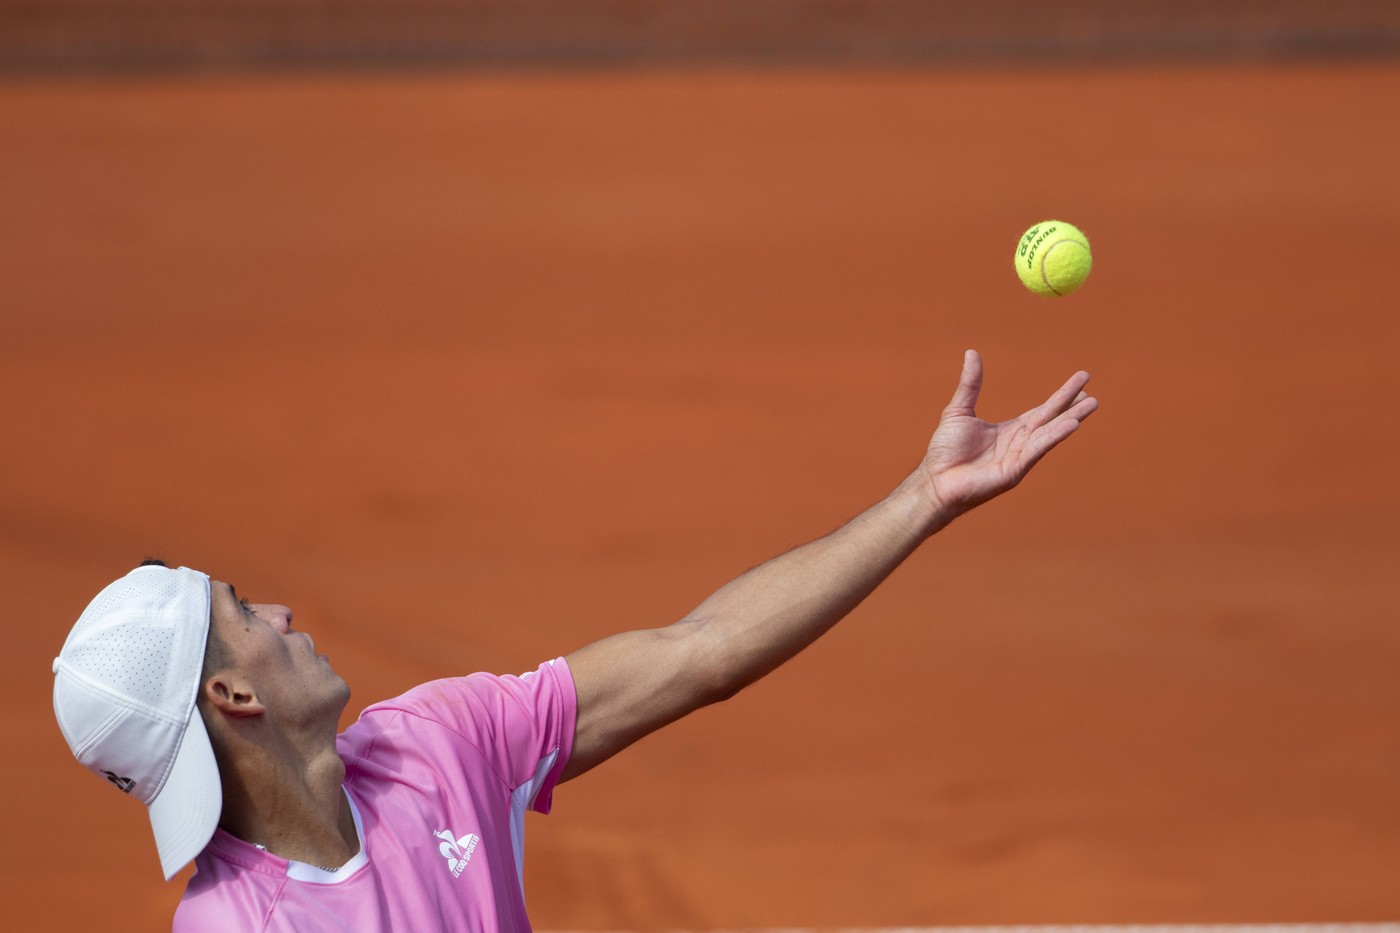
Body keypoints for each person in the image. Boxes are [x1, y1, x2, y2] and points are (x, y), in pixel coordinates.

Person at [52, 350, 1097, 931]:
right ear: (231, 697)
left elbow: (701, 651)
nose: (282, 614)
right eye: (245, 613)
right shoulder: (239, 928)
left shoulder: (434, 743)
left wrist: (922, 499)